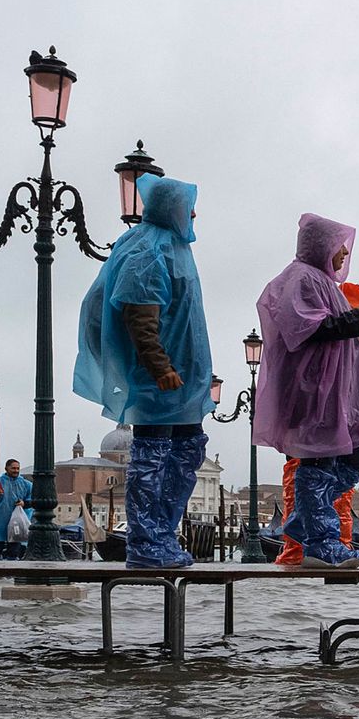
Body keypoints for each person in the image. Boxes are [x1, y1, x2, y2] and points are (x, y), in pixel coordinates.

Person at [73, 174, 213, 569]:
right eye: (189, 207)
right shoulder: (148, 249)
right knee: (152, 457)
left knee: (188, 451)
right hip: (159, 382)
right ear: (173, 209)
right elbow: (139, 312)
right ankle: (146, 542)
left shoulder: (174, 246)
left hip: (182, 381)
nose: (195, 214)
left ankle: (163, 536)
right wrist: (159, 366)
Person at [254, 214, 359, 569]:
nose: (343, 255)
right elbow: (306, 328)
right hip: (312, 392)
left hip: (335, 393)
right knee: (317, 461)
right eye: (339, 247)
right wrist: (358, 320)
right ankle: (320, 545)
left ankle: (301, 520)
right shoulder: (301, 280)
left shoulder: (320, 281)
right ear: (323, 247)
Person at [276, 279, 359, 565]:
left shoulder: (345, 297)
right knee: (316, 467)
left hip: (345, 403)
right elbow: (311, 336)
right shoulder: (305, 287)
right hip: (320, 401)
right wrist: (354, 321)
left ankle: (306, 523)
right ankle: (313, 544)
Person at [0, 458, 33, 560]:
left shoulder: (26, 484)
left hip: (18, 524)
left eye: (18, 468)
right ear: (6, 468)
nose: (16, 471)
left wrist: (24, 503)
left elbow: (34, 500)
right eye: (13, 468)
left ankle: (12, 572)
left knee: (14, 552)